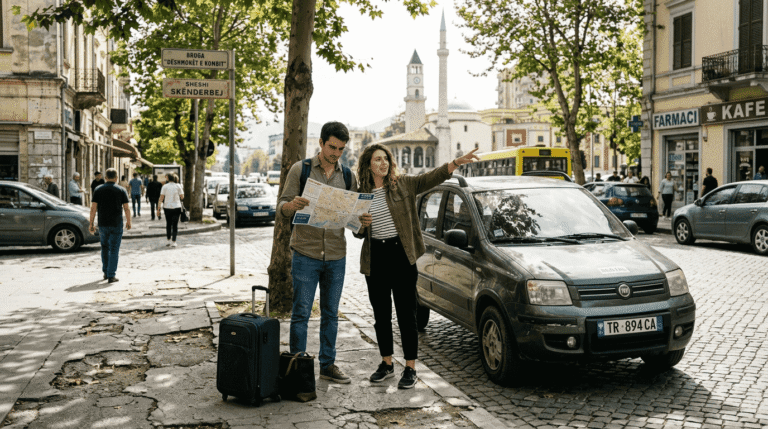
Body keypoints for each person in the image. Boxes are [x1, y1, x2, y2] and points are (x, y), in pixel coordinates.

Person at [354, 143, 480, 389]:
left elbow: (430, 178)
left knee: (406, 314)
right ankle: (387, 363)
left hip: (401, 255)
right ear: (368, 165)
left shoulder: (403, 184)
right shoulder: (361, 193)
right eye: (377, 159)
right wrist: (362, 223)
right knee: (381, 315)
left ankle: (410, 367)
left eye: (386, 159)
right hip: (375, 258)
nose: (383, 163)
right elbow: (357, 232)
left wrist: (454, 163)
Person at [276, 121, 359, 385]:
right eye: (332, 147)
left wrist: (361, 221)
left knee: (331, 313)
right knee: (301, 312)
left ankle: (328, 365)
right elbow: (281, 207)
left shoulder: (348, 176)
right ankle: (299, 367)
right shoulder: (301, 170)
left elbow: (353, 216)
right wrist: (292, 205)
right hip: (306, 252)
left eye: (341, 149)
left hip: (336, 254)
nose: (336, 153)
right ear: (321, 143)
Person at [89, 168, 131, 283]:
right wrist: (129, 221)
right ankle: (111, 275)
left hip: (103, 223)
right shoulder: (121, 190)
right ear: (116, 178)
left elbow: (93, 208)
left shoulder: (98, 189)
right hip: (117, 223)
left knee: (104, 247)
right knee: (114, 249)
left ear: (105, 178)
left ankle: (106, 272)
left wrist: (91, 223)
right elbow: (126, 208)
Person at [157, 173, 184, 247]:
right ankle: (174, 241)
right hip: (176, 207)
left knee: (168, 224)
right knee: (175, 224)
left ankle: (168, 240)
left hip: (167, 207)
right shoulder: (178, 186)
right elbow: (182, 197)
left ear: (168, 178)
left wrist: (158, 209)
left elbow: (161, 198)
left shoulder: (165, 186)